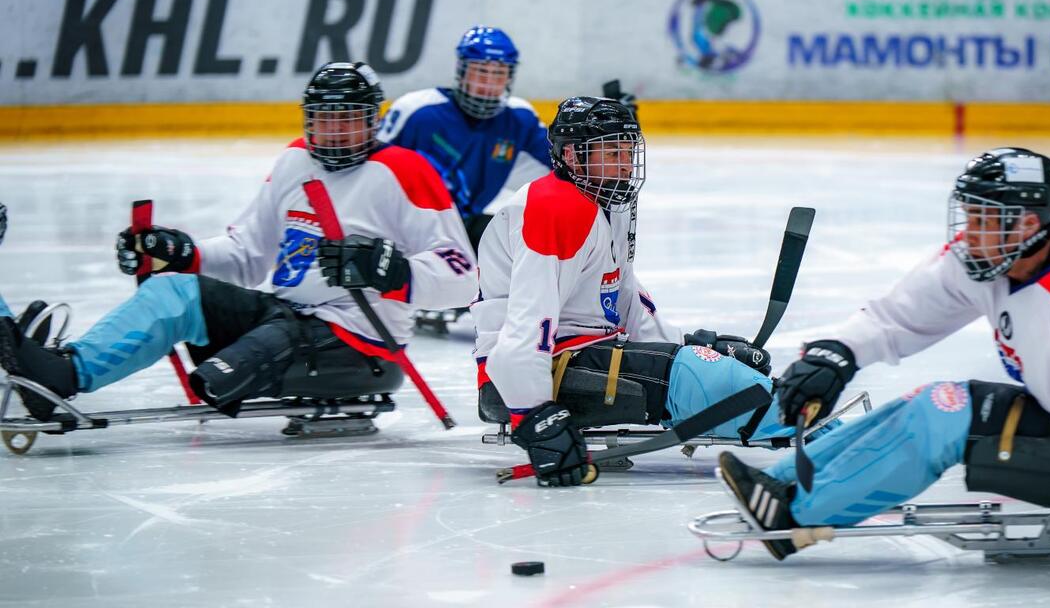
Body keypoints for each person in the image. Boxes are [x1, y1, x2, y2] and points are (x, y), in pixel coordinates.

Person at [716, 147, 1050, 594]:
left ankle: (792, 514)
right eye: (970, 215)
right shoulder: (991, 259)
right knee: (935, 400)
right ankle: (781, 483)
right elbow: (895, 318)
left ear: (1029, 225)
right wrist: (835, 354)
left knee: (942, 414)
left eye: (985, 220)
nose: (970, 232)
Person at [0, 62, 477, 422]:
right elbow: (249, 253)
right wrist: (186, 254)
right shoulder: (295, 161)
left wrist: (391, 270)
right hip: (284, 314)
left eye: (348, 118)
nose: (333, 131)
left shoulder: (405, 171)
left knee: (215, 378)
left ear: (373, 121)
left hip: (356, 338)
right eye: (323, 118)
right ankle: (63, 373)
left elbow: (462, 277)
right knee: (170, 292)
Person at [472, 96, 817, 487]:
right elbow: (524, 332)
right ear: (571, 155)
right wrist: (535, 418)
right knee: (705, 380)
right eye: (611, 151)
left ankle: (802, 421)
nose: (624, 163)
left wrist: (693, 346)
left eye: (628, 150)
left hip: (581, 357)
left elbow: (622, 299)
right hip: (531, 376)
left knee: (707, 368)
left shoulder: (608, 203)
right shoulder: (555, 207)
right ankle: (819, 434)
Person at [376, 26, 552, 251]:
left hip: (462, 227)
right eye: (480, 72)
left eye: (498, 74)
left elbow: (565, 159)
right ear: (462, 71)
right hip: (404, 228)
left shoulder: (519, 118)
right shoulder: (416, 111)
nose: (488, 84)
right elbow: (372, 168)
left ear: (509, 78)